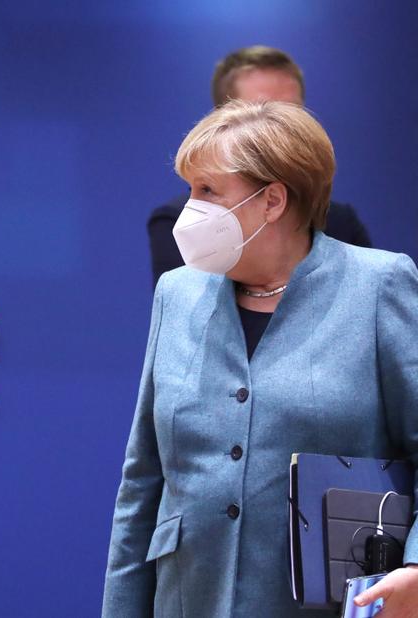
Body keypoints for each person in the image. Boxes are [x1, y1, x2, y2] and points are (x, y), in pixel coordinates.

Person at [103, 100, 418, 617]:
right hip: (189, 599)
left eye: (208, 190)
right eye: (190, 190)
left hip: (330, 604)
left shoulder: (379, 286)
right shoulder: (176, 293)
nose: (190, 209)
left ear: (272, 200)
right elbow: (143, 479)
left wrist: (415, 568)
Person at [147, 45, 371, 286]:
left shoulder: (339, 222)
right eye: (261, 110)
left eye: (293, 112)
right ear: (224, 120)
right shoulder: (185, 223)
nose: (282, 126)